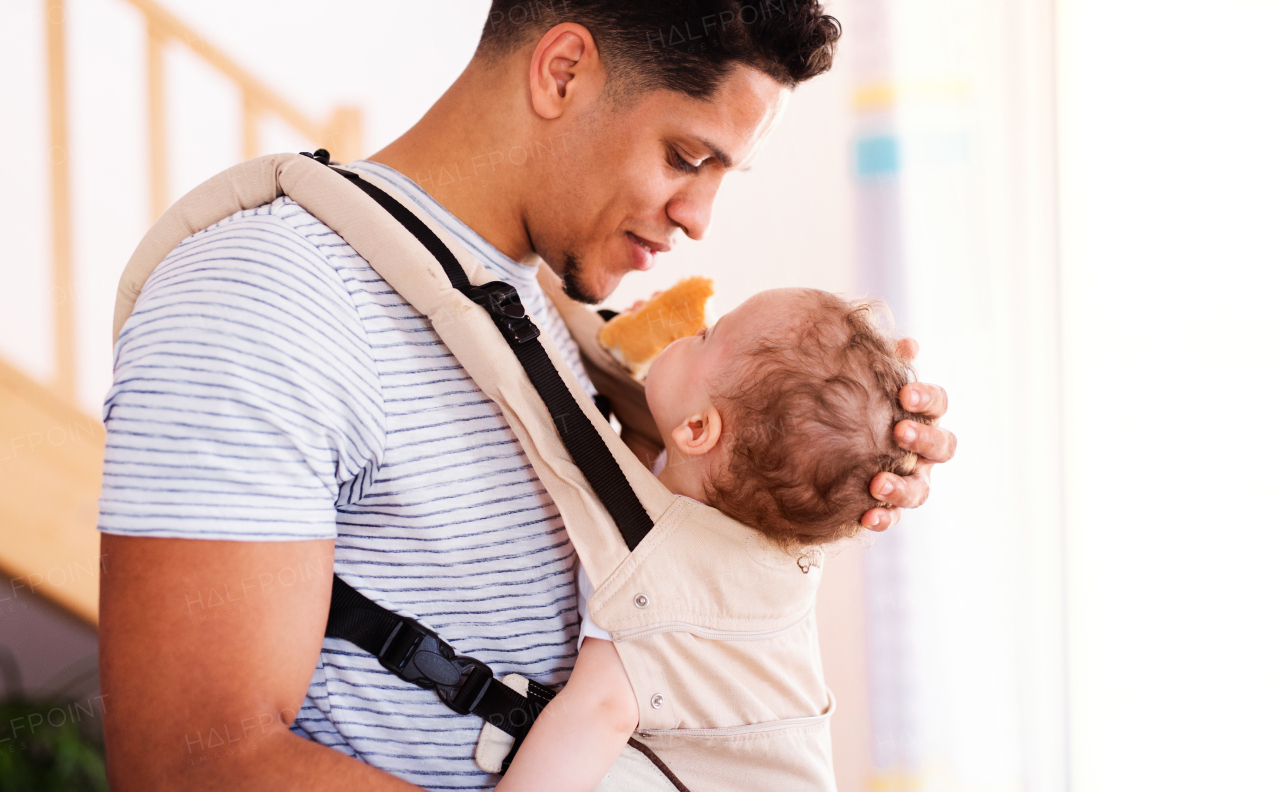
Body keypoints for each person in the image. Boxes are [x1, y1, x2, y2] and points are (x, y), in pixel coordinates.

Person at [97, 3, 956, 791]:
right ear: (562, 72)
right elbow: (188, 765)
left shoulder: (537, 311)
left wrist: (840, 466)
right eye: (686, 157)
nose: (700, 217)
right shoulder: (269, 295)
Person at [495, 289, 923, 791]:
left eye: (704, 336)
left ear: (696, 428)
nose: (694, 325)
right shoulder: (738, 509)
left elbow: (600, 710)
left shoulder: (661, 575)